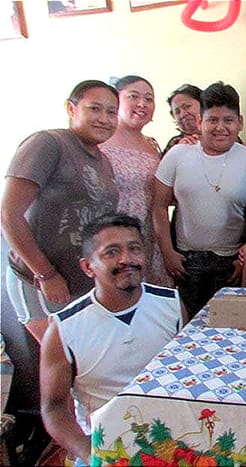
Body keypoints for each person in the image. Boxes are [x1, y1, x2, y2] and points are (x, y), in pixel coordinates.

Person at [39, 213, 186, 465]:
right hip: (106, 442)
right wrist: (91, 453)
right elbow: (53, 408)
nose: (126, 259)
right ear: (88, 266)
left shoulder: (171, 304)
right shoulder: (64, 329)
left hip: (170, 435)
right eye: (111, 252)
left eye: (134, 249)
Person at [1, 80, 119, 344]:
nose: (104, 119)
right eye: (95, 109)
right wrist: (46, 274)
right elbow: (9, 215)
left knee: (84, 361)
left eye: (111, 112)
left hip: (82, 283)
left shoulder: (103, 160)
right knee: (62, 361)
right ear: (71, 108)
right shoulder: (47, 144)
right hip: (40, 282)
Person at [153, 81, 246, 314]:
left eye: (228, 120)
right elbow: (158, 205)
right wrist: (168, 252)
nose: (220, 127)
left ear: (240, 123)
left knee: (231, 327)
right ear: (199, 122)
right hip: (187, 261)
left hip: (232, 262)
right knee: (190, 324)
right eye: (212, 120)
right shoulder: (178, 155)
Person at [101, 75, 172, 287]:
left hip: (148, 234)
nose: (142, 104)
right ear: (117, 100)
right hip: (112, 233)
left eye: (149, 99)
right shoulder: (101, 141)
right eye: (134, 96)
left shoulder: (152, 145)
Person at [163, 83, 203, 155]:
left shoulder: (220, 135)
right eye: (177, 112)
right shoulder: (175, 144)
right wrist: (178, 150)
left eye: (187, 107)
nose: (183, 114)